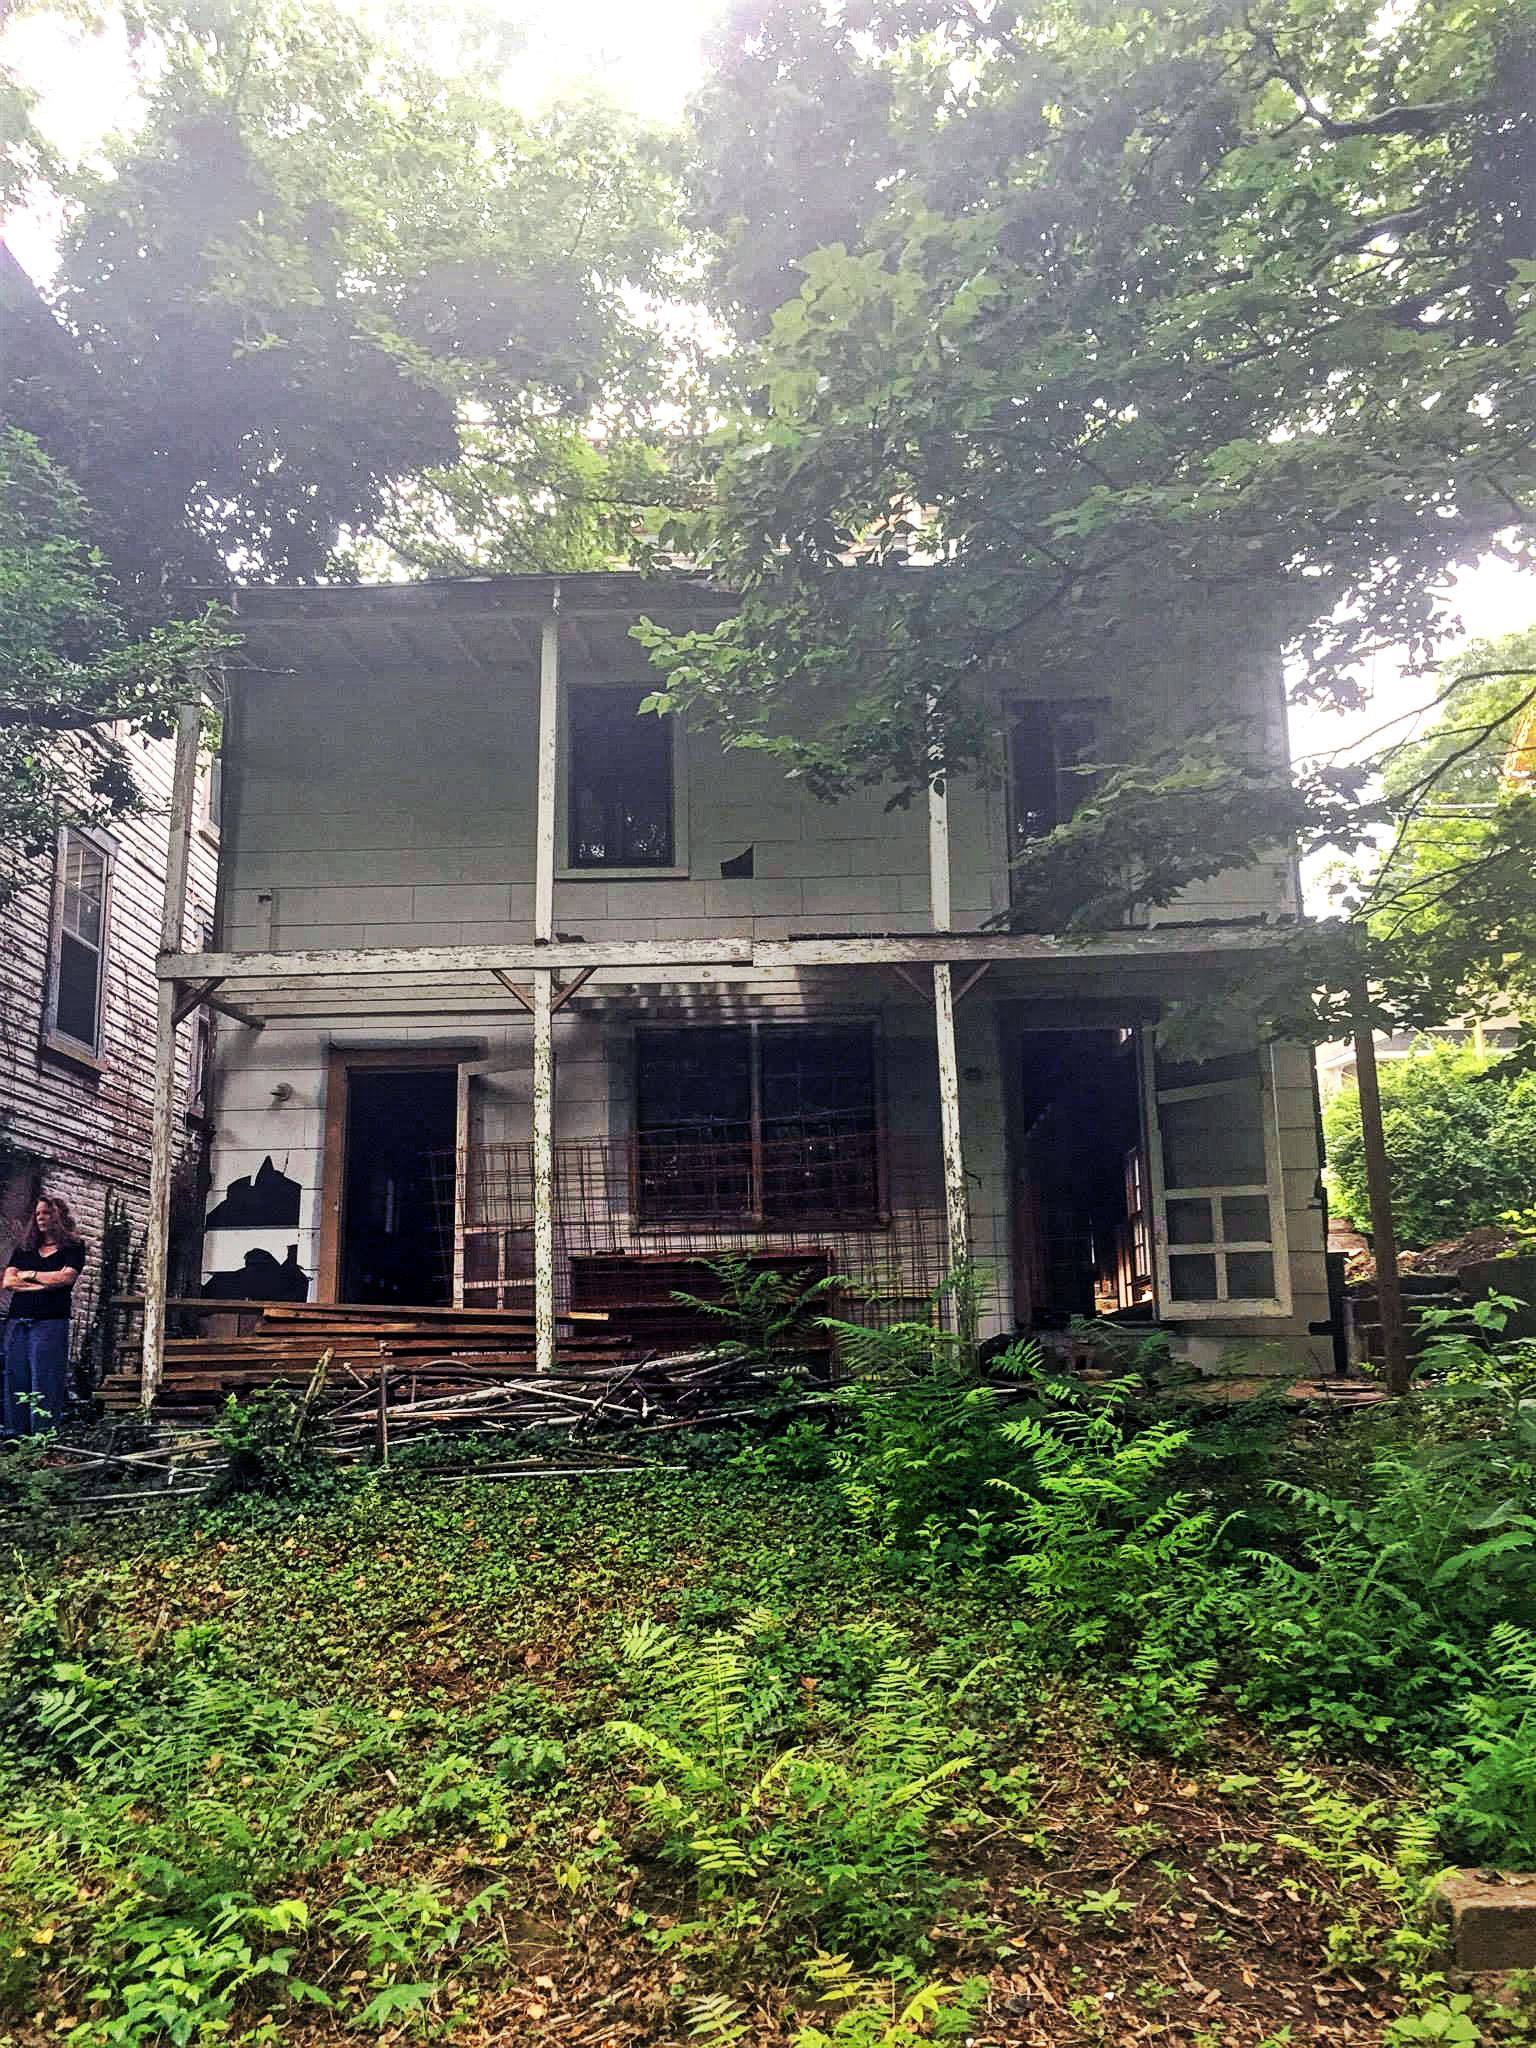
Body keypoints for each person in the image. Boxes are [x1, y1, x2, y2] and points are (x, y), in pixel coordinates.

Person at [2, 1195, 87, 1437]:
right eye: (38, 1214)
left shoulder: (73, 1248)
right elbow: (8, 1281)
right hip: (18, 1321)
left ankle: (43, 1438)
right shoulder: (25, 1249)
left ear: (59, 1216)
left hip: (50, 1322)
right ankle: (15, 1436)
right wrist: (44, 1282)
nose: (41, 1218)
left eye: (47, 1213)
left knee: (46, 1378)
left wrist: (27, 1276)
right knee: (15, 1377)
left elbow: (66, 1278)